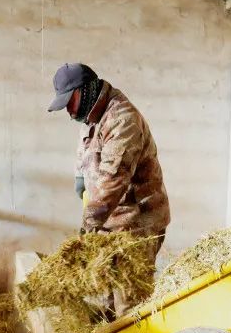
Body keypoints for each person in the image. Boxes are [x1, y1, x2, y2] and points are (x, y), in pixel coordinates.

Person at [47, 63, 171, 313]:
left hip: (136, 226)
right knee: (106, 301)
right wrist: (80, 177)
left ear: (84, 91)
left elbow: (114, 181)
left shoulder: (122, 119)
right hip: (110, 223)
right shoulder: (91, 115)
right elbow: (86, 150)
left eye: (69, 103)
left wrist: (88, 226)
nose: (69, 112)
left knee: (130, 306)